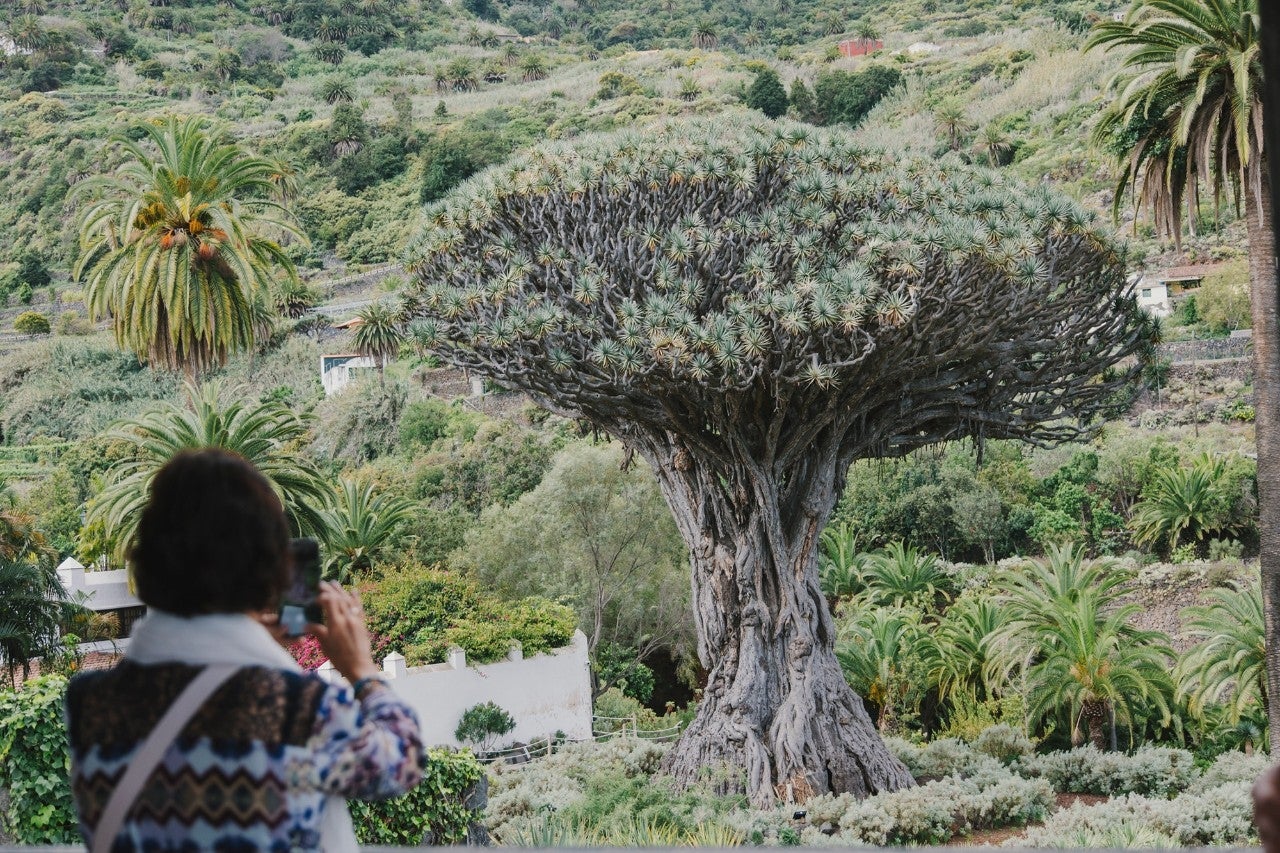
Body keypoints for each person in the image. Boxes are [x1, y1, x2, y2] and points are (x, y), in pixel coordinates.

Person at [64, 448, 424, 852]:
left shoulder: (90, 704)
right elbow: (402, 763)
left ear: (147, 560)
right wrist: (361, 669)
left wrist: (245, 652)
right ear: (270, 571)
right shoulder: (300, 710)